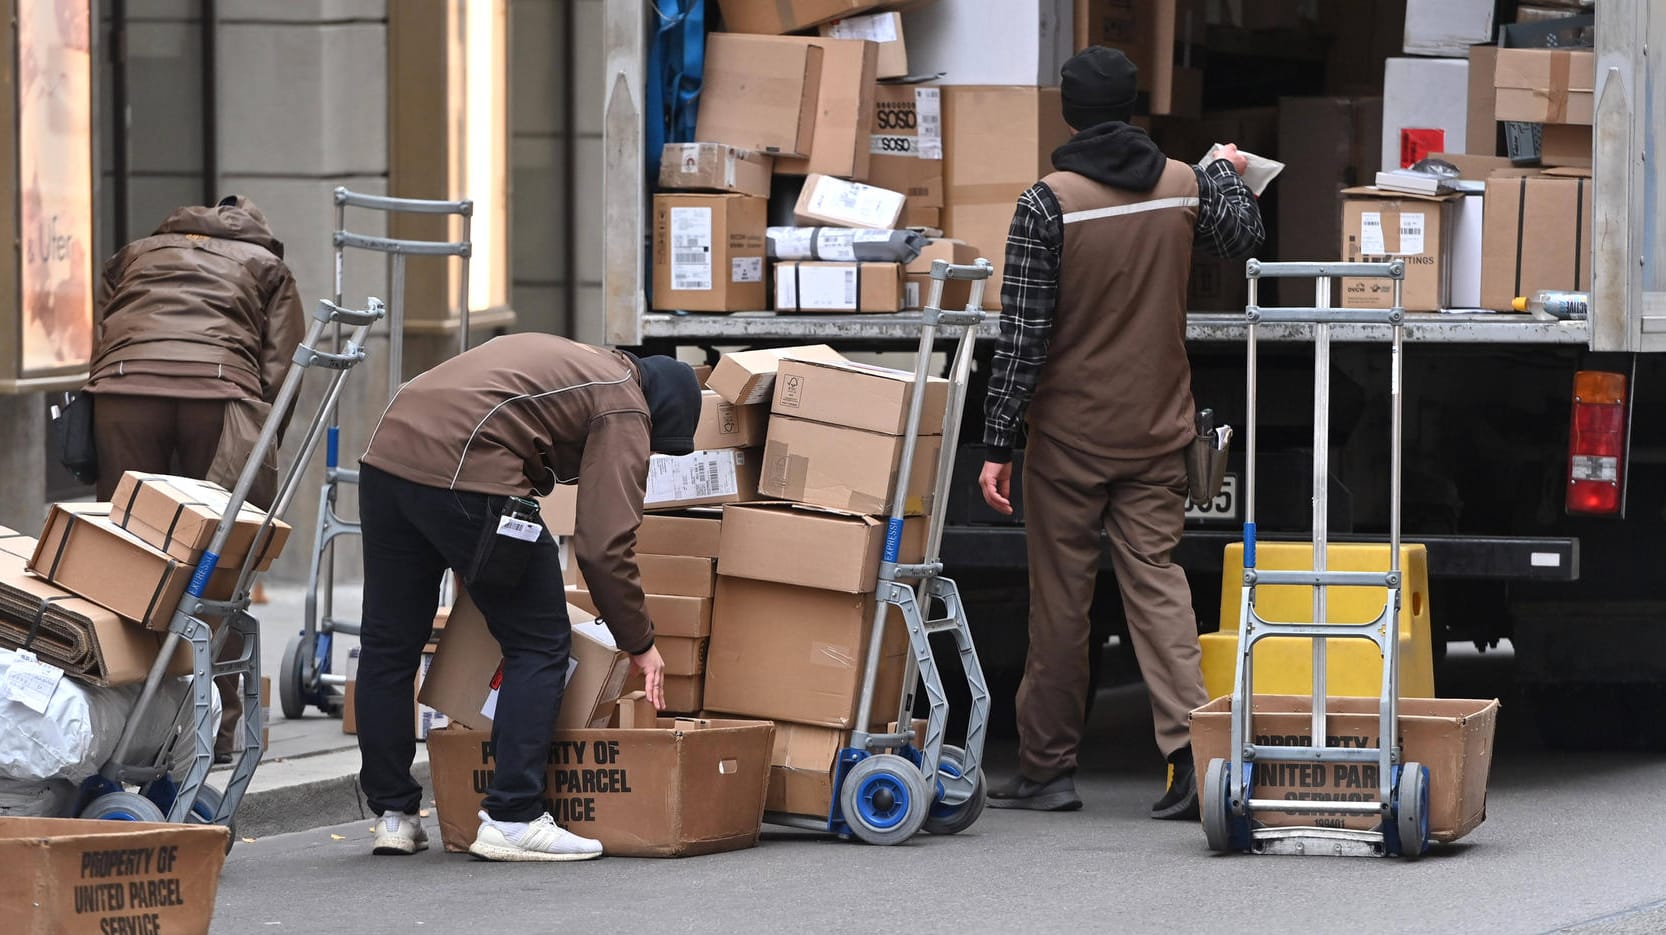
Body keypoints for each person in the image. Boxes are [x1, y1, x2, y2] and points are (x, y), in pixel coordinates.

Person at [978, 47, 1265, 818]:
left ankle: (1046, 768)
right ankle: (1190, 760)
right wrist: (1228, 170)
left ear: (1068, 111)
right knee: (1160, 588)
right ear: (1136, 104)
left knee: (1063, 605)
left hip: (1069, 441)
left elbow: (1024, 334)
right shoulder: (1183, 184)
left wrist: (997, 441)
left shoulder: (1047, 203)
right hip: (1158, 428)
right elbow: (1244, 235)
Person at [353, 332, 698, 862]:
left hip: (386, 459)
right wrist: (640, 641)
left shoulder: (579, 362)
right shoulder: (626, 402)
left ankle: (393, 815)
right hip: (468, 470)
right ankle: (513, 816)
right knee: (539, 642)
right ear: (660, 414)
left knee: (388, 643)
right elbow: (604, 547)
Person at [84, 195, 305, 764]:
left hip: (125, 391)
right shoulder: (267, 266)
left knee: (130, 553)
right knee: (216, 552)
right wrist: (260, 441)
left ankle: (122, 714)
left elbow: (105, 334)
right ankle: (218, 731)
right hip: (219, 393)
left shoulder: (136, 253)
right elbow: (282, 366)